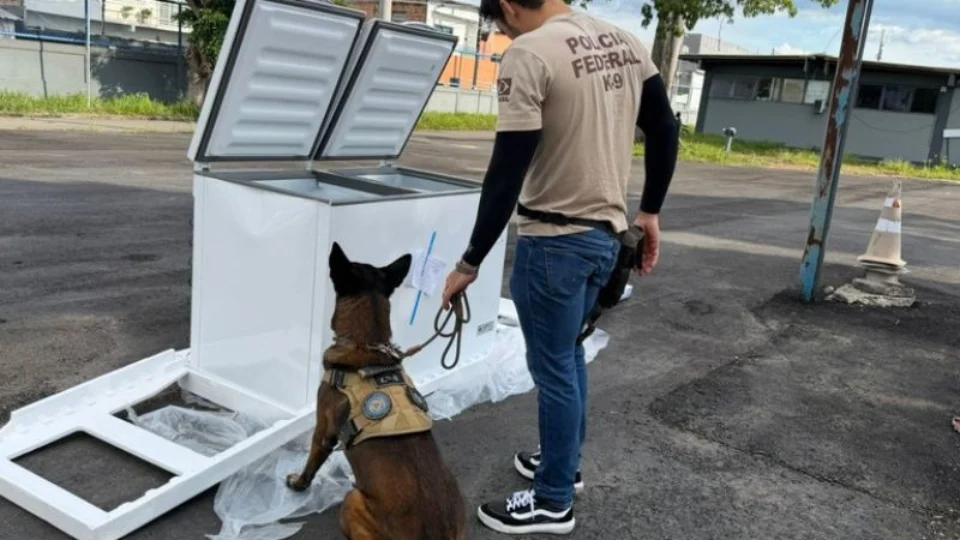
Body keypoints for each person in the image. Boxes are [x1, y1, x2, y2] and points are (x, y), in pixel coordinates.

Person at [440, 0, 679, 534]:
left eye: (499, 27)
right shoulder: (623, 41)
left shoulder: (530, 53)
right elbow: (664, 126)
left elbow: (507, 170)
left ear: (506, 8)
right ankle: (562, 466)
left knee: (552, 370)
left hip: (553, 242)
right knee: (568, 357)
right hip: (605, 240)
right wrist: (651, 211)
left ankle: (552, 500)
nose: (504, 35)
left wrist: (470, 261)